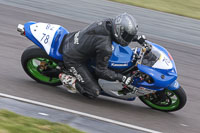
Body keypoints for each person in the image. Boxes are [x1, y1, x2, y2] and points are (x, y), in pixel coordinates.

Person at [59, 13, 146, 99]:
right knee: (93, 91)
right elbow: (101, 71)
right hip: (72, 58)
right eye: (127, 36)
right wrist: (122, 77)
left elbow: (120, 34)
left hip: (73, 39)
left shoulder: (108, 22)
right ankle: (68, 80)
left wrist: (136, 38)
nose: (128, 38)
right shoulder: (105, 47)